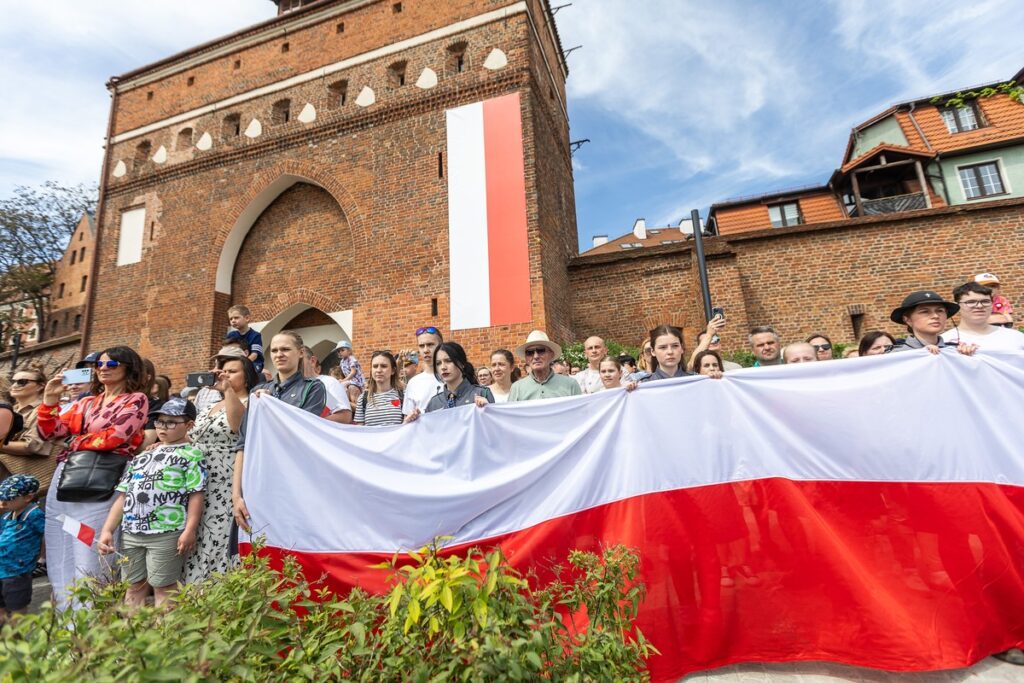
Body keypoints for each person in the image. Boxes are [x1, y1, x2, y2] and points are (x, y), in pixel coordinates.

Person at [38, 346, 149, 610]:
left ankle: (92, 620)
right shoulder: (85, 402)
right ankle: (66, 618)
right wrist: (49, 401)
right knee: (61, 542)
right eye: (99, 364)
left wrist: (74, 440)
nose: (102, 369)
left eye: (111, 364)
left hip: (103, 477)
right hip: (66, 478)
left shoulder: (135, 400)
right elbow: (50, 432)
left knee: (90, 544)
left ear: (128, 367)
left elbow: (116, 437)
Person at [97, 398, 206, 607]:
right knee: (133, 585)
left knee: (164, 587)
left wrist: (190, 529)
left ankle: (166, 635)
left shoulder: (192, 454)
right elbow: (123, 495)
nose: (163, 427)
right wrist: (108, 529)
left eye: (171, 422)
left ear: (189, 425)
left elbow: (196, 494)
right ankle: (134, 633)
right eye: (159, 422)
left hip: (166, 531)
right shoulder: (142, 456)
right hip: (131, 531)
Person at [232, 331, 326, 534]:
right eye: (274, 350)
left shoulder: (313, 388)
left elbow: (300, 433)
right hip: (256, 479)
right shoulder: (259, 391)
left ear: (300, 352)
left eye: (285, 349)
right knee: (256, 548)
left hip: (294, 480)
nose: (279, 354)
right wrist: (236, 495)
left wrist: (270, 405)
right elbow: (243, 444)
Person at [184, 354, 259, 584]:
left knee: (217, 534)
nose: (225, 375)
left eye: (233, 371)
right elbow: (193, 436)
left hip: (225, 480)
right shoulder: (207, 405)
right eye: (223, 371)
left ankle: (216, 591)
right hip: (198, 478)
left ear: (246, 378)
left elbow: (238, 427)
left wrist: (228, 391)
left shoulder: (251, 402)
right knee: (196, 533)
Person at [0, 369, 60, 495]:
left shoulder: (45, 411)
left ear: (40, 386)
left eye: (22, 382)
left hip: (21, 480)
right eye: (13, 381)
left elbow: (32, 446)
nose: (15, 385)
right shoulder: (10, 410)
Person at [0, 474, 44, 621]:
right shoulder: (7, 517)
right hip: (2, 569)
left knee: (17, 614)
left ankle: (16, 641)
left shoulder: (34, 515)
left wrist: (42, 557)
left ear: (27, 497)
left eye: (9, 498)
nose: (3, 502)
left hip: (17, 572)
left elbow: (47, 535)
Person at [941, 281, 1024, 351]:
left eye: (985, 301)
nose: (979, 306)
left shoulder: (1017, 338)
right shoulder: (944, 341)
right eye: (971, 302)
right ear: (957, 306)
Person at [889, 291, 976, 356]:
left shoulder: (956, 350)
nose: (935, 316)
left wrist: (968, 358)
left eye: (940, 311)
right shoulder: (896, 355)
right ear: (907, 320)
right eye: (925, 312)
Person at [508, 331, 582, 402]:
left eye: (541, 350)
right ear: (526, 358)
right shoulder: (517, 388)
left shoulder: (570, 385)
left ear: (551, 355)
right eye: (530, 352)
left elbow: (581, 412)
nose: (536, 356)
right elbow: (510, 414)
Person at [423, 343, 493, 412]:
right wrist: (414, 420)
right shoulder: (434, 403)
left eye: (448, 361)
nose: (443, 367)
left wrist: (488, 410)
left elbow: (493, 421)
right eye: (438, 363)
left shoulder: (482, 393)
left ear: (462, 363)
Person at [353, 351, 405, 427]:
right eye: (375, 366)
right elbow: (360, 431)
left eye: (384, 366)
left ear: (393, 370)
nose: (378, 370)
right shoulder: (363, 398)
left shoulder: (403, 395)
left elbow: (408, 428)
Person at [302, 346, 352, 424]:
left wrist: (310, 423)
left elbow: (345, 416)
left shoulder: (328, 382)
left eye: (300, 359)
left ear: (312, 361)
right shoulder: (289, 387)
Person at [402, 327, 444, 417]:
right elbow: (407, 419)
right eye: (421, 346)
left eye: (430, 344)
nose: (425, 350)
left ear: (440, 345)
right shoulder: (413, 383)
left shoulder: (452, 376)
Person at [227, 305, 265, 374]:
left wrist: (241, 366)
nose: (233, 321)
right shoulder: (231, 335)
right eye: (231, 319)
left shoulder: (255, 335)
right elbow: (226, 352)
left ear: (247, 318)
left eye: (236, 318)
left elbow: (254, 355)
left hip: (253, 363)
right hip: (236, 363)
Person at [334, 340, 365, 406]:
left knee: (343, 385)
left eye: (342, 350)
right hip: (349, 380)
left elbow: (353, 372)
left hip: (356, 380)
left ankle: (345, 401)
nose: (340, 352)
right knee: (341, 385)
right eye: (339, 351)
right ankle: (346, 401)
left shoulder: (351, 359)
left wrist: (344, 380)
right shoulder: (342, 361)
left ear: (349, 351)